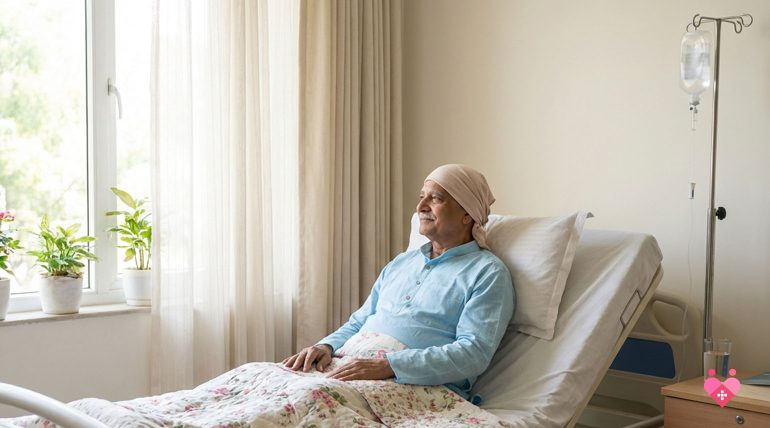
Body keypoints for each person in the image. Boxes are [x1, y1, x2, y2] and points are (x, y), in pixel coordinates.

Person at [283, 164, 514, 400]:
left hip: (411, 384)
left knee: (307, 402)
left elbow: (472, 354)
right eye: (422, 197)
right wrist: (326, 347)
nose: (421, 207)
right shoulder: (402, 263)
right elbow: (359, 322)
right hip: (350, 366)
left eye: (435, 198)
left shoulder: (488, 273)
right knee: (257, 381)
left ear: (468, 214)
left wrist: (389, 366)